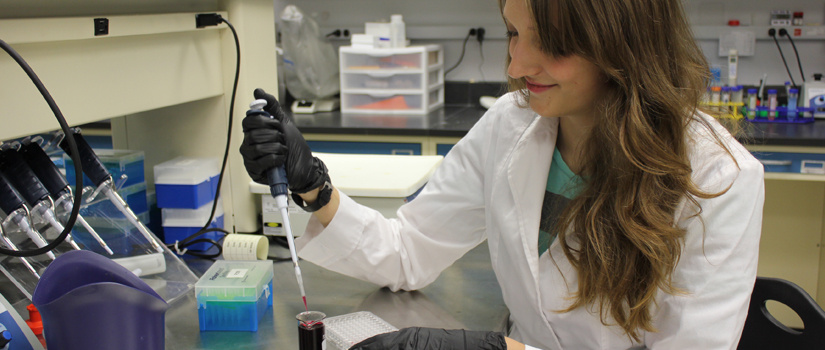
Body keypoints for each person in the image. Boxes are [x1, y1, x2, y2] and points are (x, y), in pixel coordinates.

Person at [240, 0, 765, 348]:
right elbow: (409, 251)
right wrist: (313, 184)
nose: (517, 65)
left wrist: (502, 349)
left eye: (553, 44)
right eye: (514, 33)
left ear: (624, 44)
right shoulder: (511, 125)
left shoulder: (719, 179)